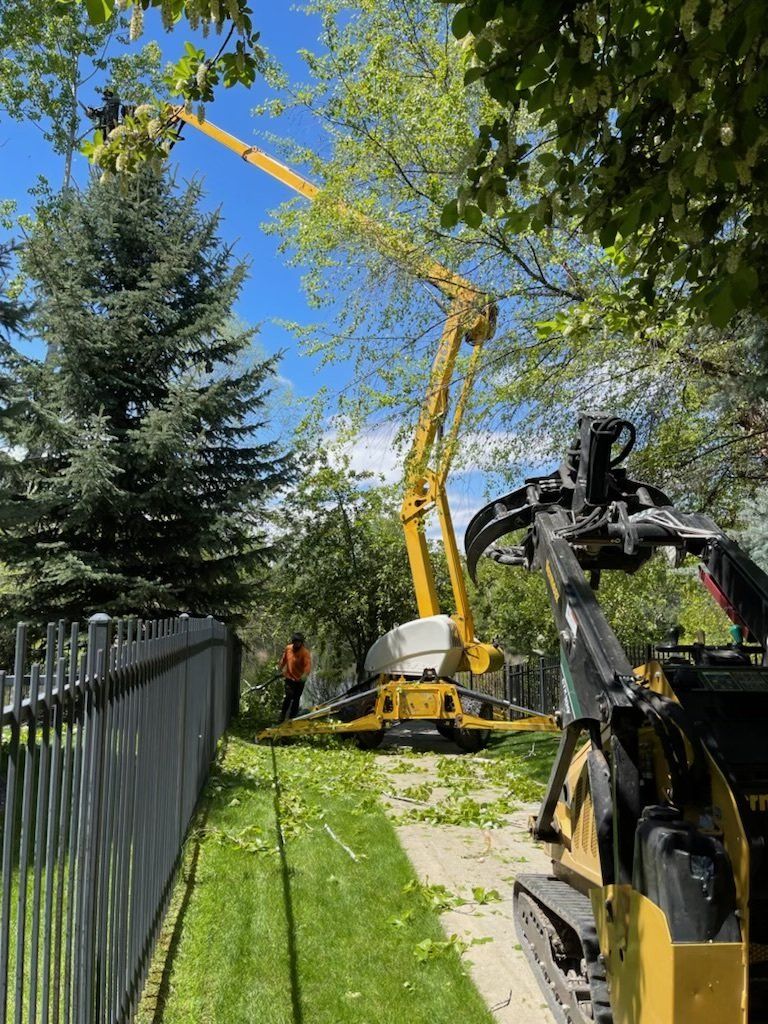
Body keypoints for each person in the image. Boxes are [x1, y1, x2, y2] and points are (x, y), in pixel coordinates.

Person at [278, 632, 311, 722]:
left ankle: (292, 718)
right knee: (288, 696)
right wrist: (279, 668)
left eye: (299, 642)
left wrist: (303, 678)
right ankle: (282, 715)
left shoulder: (305, 653)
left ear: (301, 643)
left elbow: (307, 667)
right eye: (295, 642)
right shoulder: (288, 648)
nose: (297, 644)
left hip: (300, 680)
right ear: (293, 641)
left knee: (296, 699)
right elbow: (284, 660)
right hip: (289, 678)